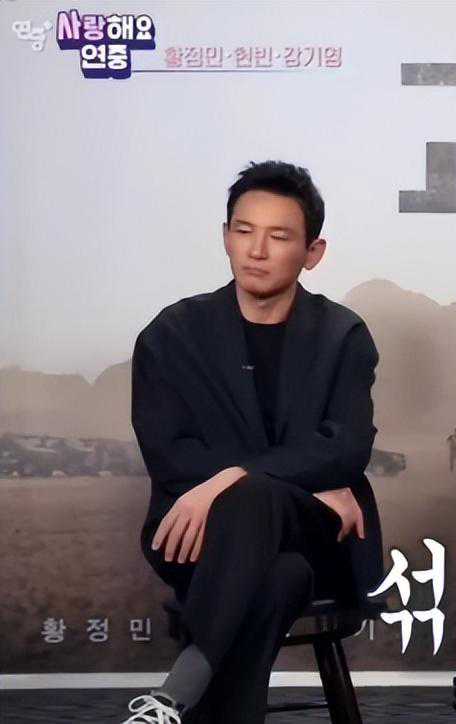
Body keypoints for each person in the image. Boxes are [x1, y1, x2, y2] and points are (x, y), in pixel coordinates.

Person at [125, 161, 383, 723]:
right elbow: (170, 455)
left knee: (257, 497)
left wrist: (232, 476)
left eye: (279, 236)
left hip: (318, 537)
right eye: (244, 231)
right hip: (197, 538)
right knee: (278, 577)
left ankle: (176, 696)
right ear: (226, 237)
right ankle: (177, 697)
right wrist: (288, 482)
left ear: (313, 252)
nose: (257, 250)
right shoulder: (172, 335)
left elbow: (346, 449)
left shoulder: (343, 335)